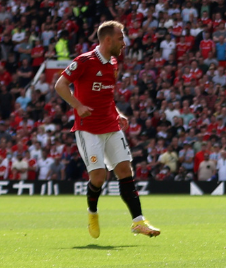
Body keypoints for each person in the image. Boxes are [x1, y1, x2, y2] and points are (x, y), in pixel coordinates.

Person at [52, 21, 161, 238]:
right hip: (88, 129)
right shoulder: (84, 61)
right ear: (108, 39)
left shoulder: (112, 62)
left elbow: (107, 95)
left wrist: (117, 112)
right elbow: (60, 85)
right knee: (99, 177)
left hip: (110, 125)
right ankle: (92, 213)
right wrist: (78, 106)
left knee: (124, 171)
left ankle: (138, 222)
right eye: (121, 38)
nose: (124, 43)